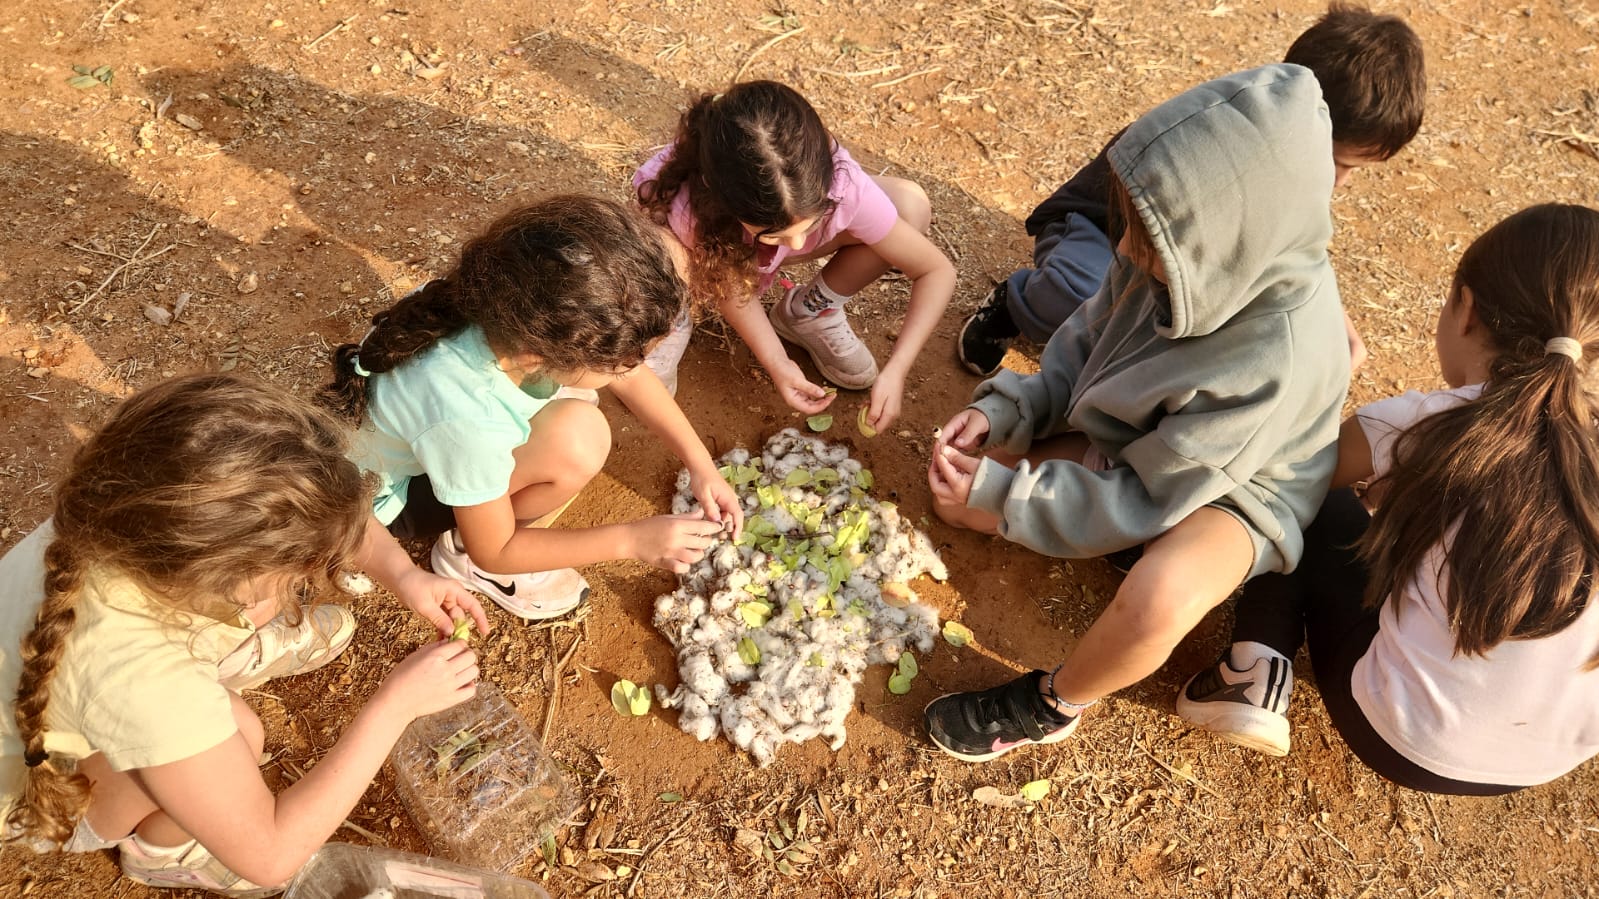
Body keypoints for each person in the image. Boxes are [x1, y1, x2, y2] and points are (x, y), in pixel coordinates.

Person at [921, 64, 1350, 762]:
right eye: (1132, 227)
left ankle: (1053, 701)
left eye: (1144, 240)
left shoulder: (1272, 358)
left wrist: (1008, 498)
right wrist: (1011, 410)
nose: (1122, 249)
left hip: (1236, 490)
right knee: (971, 485)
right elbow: (1084, 347)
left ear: (1226, 244)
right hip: (1153, 445)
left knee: (1160, 595)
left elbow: (1150, 496)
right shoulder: (1176, 253)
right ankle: (1103, 533)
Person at [0, 373, 483, 896]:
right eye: (299, 570)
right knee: (242, 731)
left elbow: (325, 506)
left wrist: (404, 573)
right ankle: (162, 854)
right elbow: (270, 854)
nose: (306, 576)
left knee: (243, 652)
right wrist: (395, 706)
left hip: (75, 693)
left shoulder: (138, 504)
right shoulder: (144, 683)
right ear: (223, 576)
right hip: (39, 787)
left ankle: (225, 652)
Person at [1178, 204, 1599, 795]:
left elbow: (1295, 471)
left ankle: (1254, 666)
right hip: (1535, 766)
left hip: (1399, 734)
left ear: (1466, 309)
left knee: (1313, 503)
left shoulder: (1430, 422)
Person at [321, 195, 743, 621]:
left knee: (579, 403)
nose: (636, 368)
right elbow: (497, 548)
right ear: (536, 356)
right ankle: (463, 557)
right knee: (579, 439)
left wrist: (700, 463)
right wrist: (632, 540)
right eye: (629, 357)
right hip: (383, 503)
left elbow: (625, 374)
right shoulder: (468, 417)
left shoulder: (502, 294)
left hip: (413, 442)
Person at [956, 1, 1426, 377]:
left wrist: (1332, 323)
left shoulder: (1296, 173)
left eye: (1354, 170)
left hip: (1178, 273)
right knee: (1078, 297)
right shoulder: (1202, 139)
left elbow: (1297, 254)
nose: (1339, 181)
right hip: (1109, 235)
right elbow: (1140, 234)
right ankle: (1018, 304)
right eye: (1337, 162)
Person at [634, 80, 955, 432]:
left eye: (809, 224)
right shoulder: (695, 211)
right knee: (663, 251)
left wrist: (897, 369)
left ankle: (810, 311)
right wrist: (778, 363)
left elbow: (936, 271)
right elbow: (730, 290)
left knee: (908, 208)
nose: (800, 245)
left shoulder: (839, 185)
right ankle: (672, 315)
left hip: (749, 248)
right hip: (707, 252)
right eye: (776, 234)